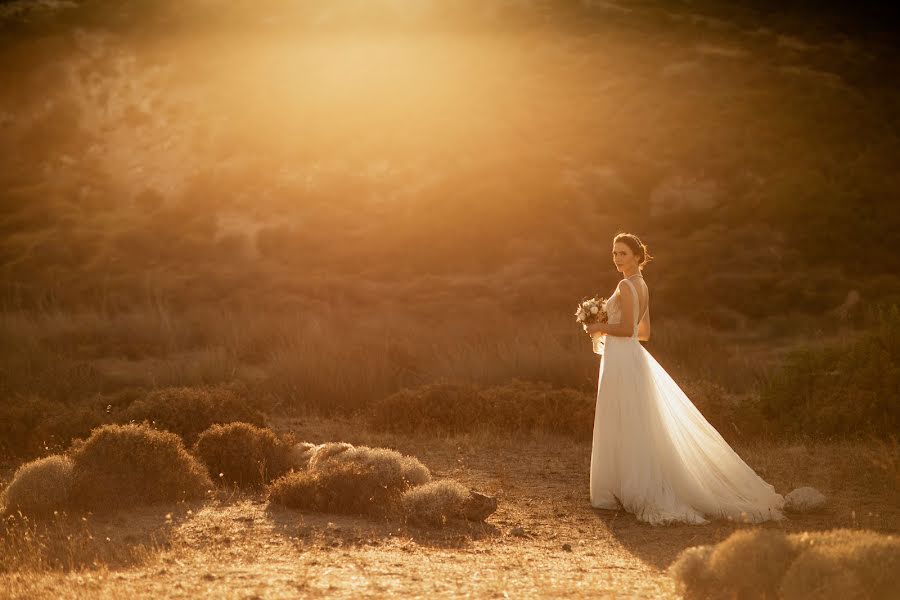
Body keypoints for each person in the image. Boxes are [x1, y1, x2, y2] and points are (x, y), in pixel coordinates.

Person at [582, 232, 785, 525]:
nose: (617, 258)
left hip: (623, 361)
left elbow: (628, 329)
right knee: (635, 422)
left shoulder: (626, 285)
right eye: (614, 253)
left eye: (623, 253)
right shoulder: (642, 285)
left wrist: (599, 325)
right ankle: (625, 486)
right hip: (630, 358)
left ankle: (625, 489)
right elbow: (645, 333)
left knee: (624, 420)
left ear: (638, 256)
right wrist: (607, 328)